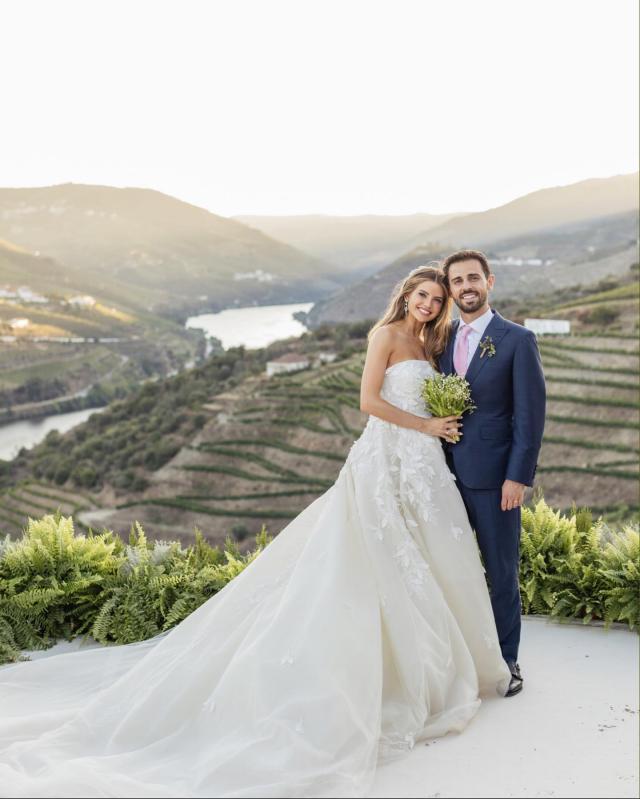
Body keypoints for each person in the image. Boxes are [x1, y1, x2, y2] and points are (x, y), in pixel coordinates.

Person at [0, 266, 510, 799]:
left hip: (423, 464)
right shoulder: (385, 335)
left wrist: (442, 421)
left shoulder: (431, 343)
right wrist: (426, 424)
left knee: (424, 557)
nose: (429, 304)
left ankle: (442, 662)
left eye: (437, 299)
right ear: (406, 295)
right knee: (374, 559)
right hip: (385, 460)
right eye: (422, 295)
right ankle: (393, 674)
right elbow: (368, 402)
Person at [440, 249, 546, 697]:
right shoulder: (440, 338)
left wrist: (517, 477)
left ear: (489, 281)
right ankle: (460, 659)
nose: (466, 286)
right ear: (450, 289)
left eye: (473, 278)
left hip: (495, 479)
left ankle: (506, 661)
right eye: (457, 280)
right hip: (441, 476)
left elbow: (530, 417)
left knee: (501, 572)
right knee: (449, 570)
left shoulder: (517, 339)